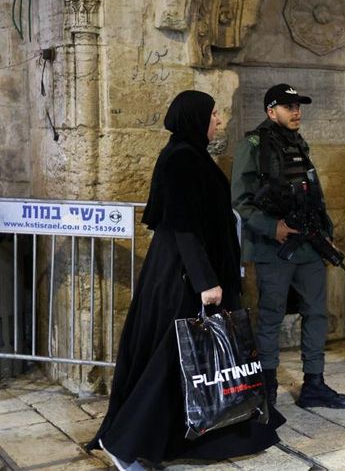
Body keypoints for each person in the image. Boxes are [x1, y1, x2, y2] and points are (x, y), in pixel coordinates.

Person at [87, 90, 285, 469]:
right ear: (195, 118)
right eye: (213, 115)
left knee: (185, 362)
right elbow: (183, 228)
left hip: (189, 272)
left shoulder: (189, 154)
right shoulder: (182, 158)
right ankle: (125, 442)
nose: (219, 121)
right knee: (170, 360)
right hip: (183, 276)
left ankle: (175, 436)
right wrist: (205, 282)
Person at [231, 84, 345, 410]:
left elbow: (314, 193)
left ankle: (314, 383)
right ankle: (267, 390)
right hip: (274, 248)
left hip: (308, 246)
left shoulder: (298, 143)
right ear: (271, 111)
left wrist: (324, 233)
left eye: (298, 105)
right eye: (288, 106)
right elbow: (240, 202)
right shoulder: (253, 145)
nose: (296, 111)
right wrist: (274, 227)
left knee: (316, 314)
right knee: (270, 318)